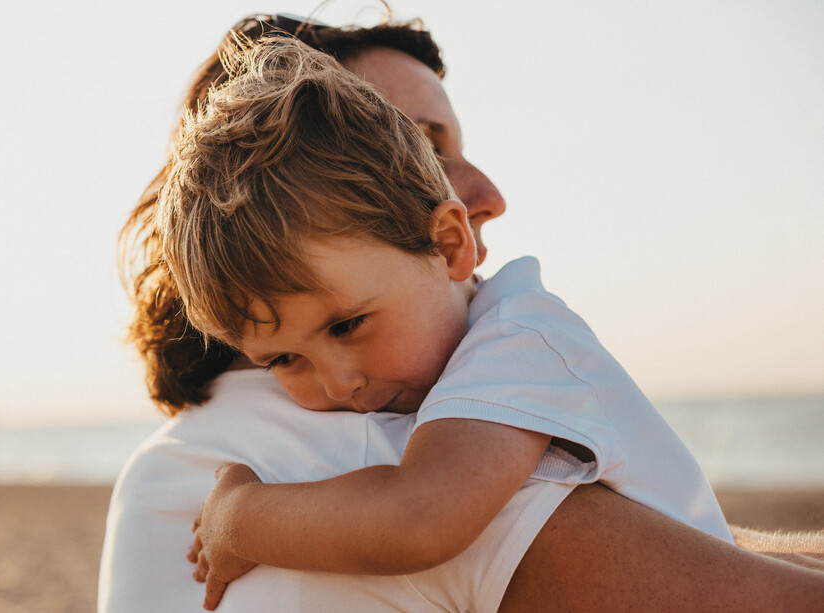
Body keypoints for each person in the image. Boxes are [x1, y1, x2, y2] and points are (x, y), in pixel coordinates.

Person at [100, 12, 824, 613]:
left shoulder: (182, 456)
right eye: (416, 142)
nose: (491, 193)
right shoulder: (349, 449)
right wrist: (239, 517)